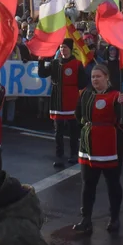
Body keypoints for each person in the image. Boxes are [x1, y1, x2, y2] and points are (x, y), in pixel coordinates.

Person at [72, 62, 123, 234]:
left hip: (111, 145)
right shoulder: (86, 94)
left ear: (107, 78)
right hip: (89, 144)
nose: (95, 80)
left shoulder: (116, 95)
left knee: (112, 183)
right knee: (88, 183)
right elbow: (78, 115)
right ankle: (86, 219)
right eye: (93, 77)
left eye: (98, 76)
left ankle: (114, 218)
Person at [38, 39, 86, 168]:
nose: (62, 49)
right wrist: (41, 61)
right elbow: (42, 74)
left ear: (70, 49)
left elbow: (83, 83)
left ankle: (74, 154)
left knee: (73, 130)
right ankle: (59, 155)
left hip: (71, 99)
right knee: (58, 131)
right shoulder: (54, 63)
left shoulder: (77, 64)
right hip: (57, 99)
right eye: (60, 47)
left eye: (64, 47)